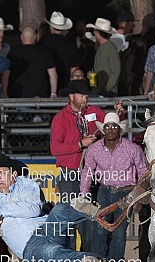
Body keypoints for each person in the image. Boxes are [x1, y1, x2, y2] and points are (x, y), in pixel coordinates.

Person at [0, 153, 106, 262]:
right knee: (51, 251)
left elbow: (33, 209)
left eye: (2, 173)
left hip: (47, 229)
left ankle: (90, 211)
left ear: (14, 174)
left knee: (58, 211)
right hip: (29, 247)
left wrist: (1, 211)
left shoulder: (26, 185)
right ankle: (89, 261)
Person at [80, 112, 147, 262]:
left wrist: (139, 195)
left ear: (119, 130)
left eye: (113, 127)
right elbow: (87, 172)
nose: (110, 130)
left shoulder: (132, 149)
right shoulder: (94, 149)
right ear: (104, 129)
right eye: (108, 126)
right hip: (104, 190)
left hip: (126, 192)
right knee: (99, 229)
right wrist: (84, 194)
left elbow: (143, 172)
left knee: (118, 232)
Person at [51, 78, 105, 252]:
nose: (85, 98)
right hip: (70, 173)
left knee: (88, 219)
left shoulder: (94, 112)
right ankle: (70, 260)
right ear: (71, 96)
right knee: (69, 218)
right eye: (82, 95)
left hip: (89, 173)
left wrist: (118, 113)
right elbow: (55, 148)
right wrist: (80, 144)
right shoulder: (60, 119)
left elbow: (110, 122)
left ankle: (86, 259)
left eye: (86, 95)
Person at [6, 26, 57, 98]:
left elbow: (6, 74)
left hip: (18, 96)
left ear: (21, 37)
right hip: (39, 96)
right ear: (35, 37)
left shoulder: (13, 53)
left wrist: (5, 92)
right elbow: (53, 75)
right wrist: (53, 93)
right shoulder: (45, 52)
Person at [39, 11, 80, 90]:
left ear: (51, 27)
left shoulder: (42, 42)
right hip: (64, 85)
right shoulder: (70, 44)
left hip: (45, 84)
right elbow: (74, 68)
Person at [86, 17, 120, 96]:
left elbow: (116, 70)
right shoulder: (100, 47)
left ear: (98, 32)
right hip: (100, 90)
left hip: (108, 92)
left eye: (94, 30)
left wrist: (107, 88)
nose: (93, 32)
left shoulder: (110, 47)